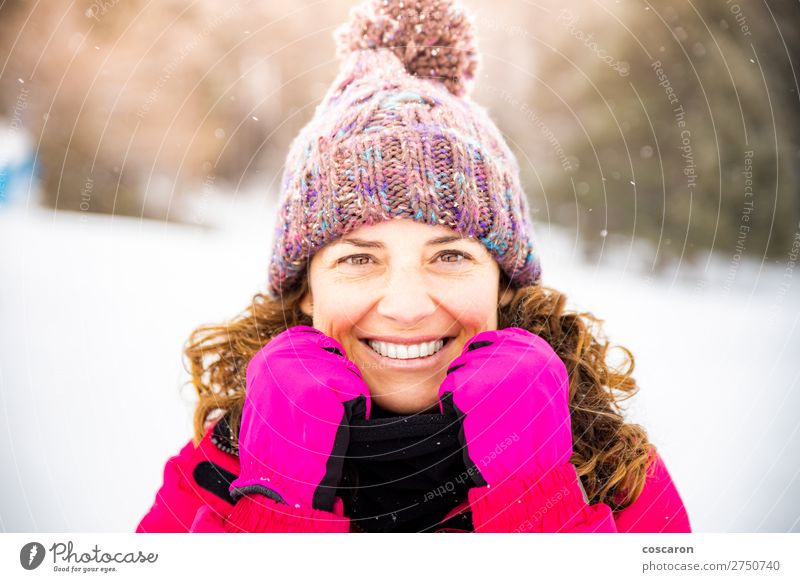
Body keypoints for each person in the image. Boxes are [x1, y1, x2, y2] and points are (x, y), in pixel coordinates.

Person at [136, 0, 690, 533]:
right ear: (307, 288)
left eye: (450, 256)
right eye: (358, 258)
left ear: (503, 281)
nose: (405, 307)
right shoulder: (214, 475)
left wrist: (536, 498)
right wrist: (277, 501)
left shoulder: (618, 477)